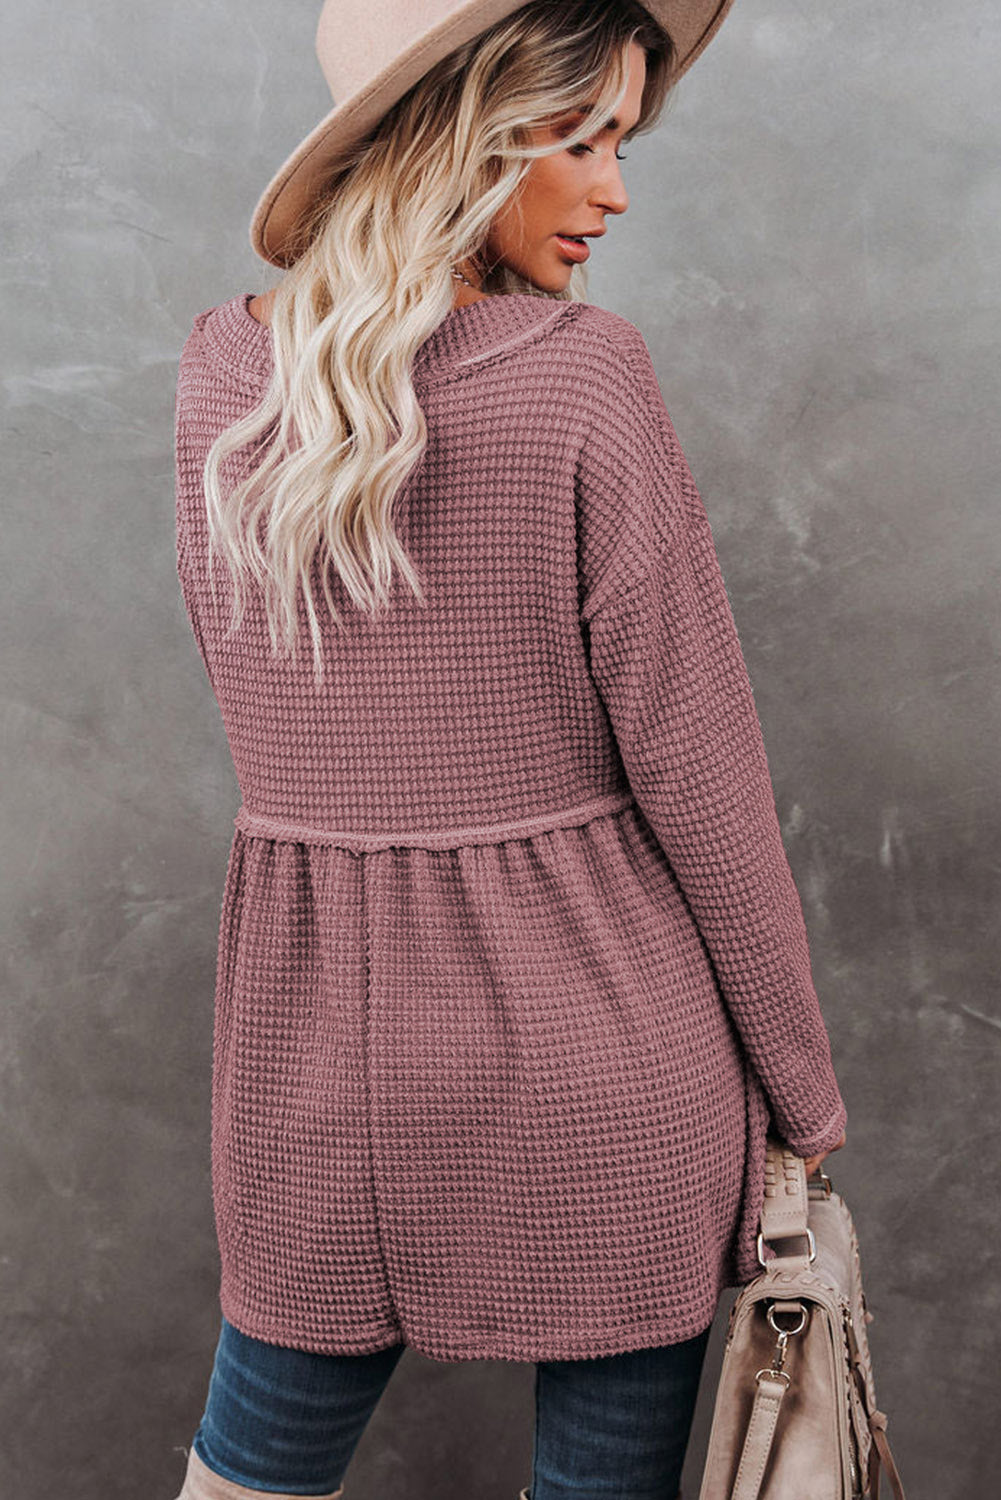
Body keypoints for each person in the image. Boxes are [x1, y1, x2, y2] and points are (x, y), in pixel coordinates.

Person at [170, 2, 847, 1497]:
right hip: (611, 1053)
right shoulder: (582, 373)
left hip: (314, 1062)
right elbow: (703, 774)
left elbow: (263, 710)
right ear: (467, 142)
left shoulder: (221, 374)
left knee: (249, 1476)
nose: (616, 190)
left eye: (623, 146)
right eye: (582, 140)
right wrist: (801, 1092)